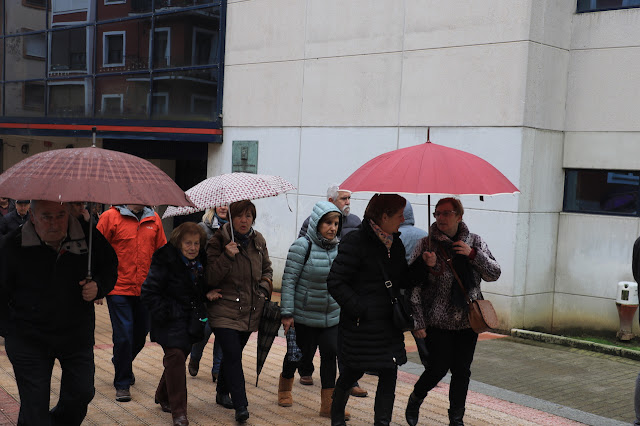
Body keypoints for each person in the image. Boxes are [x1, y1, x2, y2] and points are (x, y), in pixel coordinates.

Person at [0, 200, 118, 425]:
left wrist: (98, 287)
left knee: (82, 393)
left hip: (75, 334)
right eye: (46, 216)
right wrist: (10, 330)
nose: (54, 222)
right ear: (33, 217)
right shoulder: (11, 245)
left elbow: (110, 265)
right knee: (35, 407)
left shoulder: (88, 236)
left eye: (60, 215)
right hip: (28, 338)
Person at [405, 197, 501, 426]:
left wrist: (472, 254)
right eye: (437, 214)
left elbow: (494, 273)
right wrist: (417, 321)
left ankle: (456, 419)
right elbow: (412, 285)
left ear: (459, 216)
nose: (440, 218)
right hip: (437, 321)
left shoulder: (475, 241)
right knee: (437, 368)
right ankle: (416, 398)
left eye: (446, 213)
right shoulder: (426, 244)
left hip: (468, 321)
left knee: (462, 371)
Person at [327, 193, 410, 426]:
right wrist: (360, 308)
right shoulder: (356, 241)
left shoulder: (396, 243)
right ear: (384, 216)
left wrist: (425, 265)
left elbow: (403, 279)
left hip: (388, 325)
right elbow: (335, 281)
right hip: (360, 326)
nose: (403, 220)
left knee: (389, 373)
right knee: (352, 373)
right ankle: (337, 419)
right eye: (399, 215)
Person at [205, 200, 273, 423]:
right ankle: (241, 405)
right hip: (223, 308)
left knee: (232, 354)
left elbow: (267, 270)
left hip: (250, 309)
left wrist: (263, 289)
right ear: (231, 218)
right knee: (233, 354)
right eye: (239, 216)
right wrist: (227, 256)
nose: (244, 221)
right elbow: (210, 278)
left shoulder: (258, 240)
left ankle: (222, 392)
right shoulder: (217, 241)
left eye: (249, 216)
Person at [298, 184, 367, 397]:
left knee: (339, 343)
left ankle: (348, 381)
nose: (348, 202)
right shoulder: (310, 223)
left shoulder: (355, 222)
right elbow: (301, 255)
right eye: (343, 198)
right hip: (316, 293)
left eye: (349, 198)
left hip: (344, 292)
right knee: (307, 343)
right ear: (330, 201)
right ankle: (304, 368)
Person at [279, 201, 347, 418]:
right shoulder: (302, 246)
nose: (333, 228)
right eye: (328, 222)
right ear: (317, 223)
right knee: (298, 355)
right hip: (304, 315)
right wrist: (287, 313)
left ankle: (329, 406)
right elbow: (289, 281)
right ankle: (284, 388)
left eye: (336, 223)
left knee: (331, 354)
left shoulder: (339, 247)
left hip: (331, 316)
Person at [97, 204, 167, 402]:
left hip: (146, 289)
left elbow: (162, 253)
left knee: (140, 334)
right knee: (124, 336)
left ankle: (120, 360)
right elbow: (98, 251)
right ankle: (122, 383)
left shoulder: (153, 219)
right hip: (118, 287)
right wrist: (99, 284)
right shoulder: (110, 217)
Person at [141, 222, 209, 426]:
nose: (193, 247)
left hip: (191, 321)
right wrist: (167, 312)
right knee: (176, 356)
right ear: (179, 243)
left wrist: (206, 294)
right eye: (188, 243)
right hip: (169, 320)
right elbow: (148, 292)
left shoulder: (200, 262)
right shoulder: (165, 259)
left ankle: (162, 394)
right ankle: (179, 412)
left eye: (196, 243)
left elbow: (201, 288)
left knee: (176, 360)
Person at [188, 206, 228, 381]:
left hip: (227, 288)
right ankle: (195, 357)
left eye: (228, 204)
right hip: (206, 288)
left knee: (223, 330)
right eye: (221, 203)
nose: (224, 207)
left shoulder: (235, 231)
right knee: (205, 330)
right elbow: (194, 258)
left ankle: (217, 369)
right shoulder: (202, 228)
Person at [398, 201, 430, 367]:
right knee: (420, 328)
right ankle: (430, 364)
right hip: (422, 290)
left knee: (396, 328)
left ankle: (385, 363)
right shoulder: (425, 235)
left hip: (401, 291)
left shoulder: (394, 236)